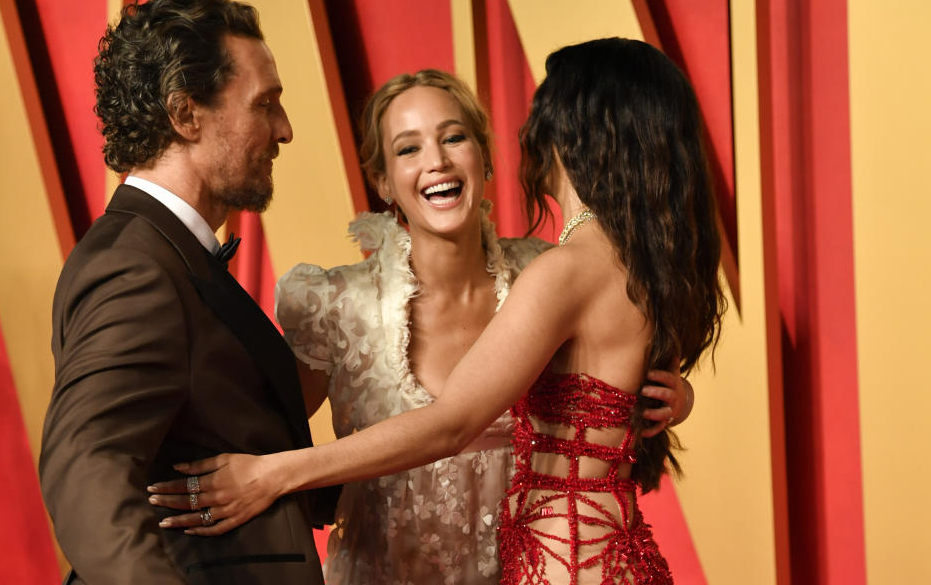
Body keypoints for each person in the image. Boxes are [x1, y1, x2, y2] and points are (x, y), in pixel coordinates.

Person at [151, 43, 716, 584]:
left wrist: (273, 476)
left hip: (554, 565)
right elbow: (262, 424)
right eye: (407, 148)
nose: (436, 161)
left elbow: (452, 423)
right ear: (382, 181)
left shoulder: (550, 271)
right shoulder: (628, 260)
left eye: (454, 137)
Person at [38, 0, 337, 584]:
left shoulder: (164, 251)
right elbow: (84, 465)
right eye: (265, 104)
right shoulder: (135, 269)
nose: (285, 130)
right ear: (185, 115)